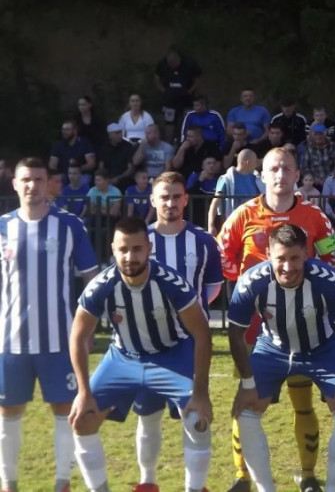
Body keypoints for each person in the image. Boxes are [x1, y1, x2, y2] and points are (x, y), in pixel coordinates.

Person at [216, 147, 335, 492]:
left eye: (286, 168)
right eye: (273, 168)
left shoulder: (315, 216)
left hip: (302, 328)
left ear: (297, 174)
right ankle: (243, 477)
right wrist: (247, 285)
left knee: (303, 403)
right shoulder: (242, 215)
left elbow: (332, 257)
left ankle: (308, 474)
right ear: (262, 175)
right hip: (254, 331)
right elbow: (222, 257)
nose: (280, 174)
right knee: (247, 401)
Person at [69, 217, 213, 492]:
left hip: (172, 354)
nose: (130, 256)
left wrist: (201, 392)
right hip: (124, 357)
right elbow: (77, 336)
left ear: (149, 248)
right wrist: (83, 392)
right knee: (82, 420)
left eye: (137, 249)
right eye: (123, 249)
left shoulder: (171, 283)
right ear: (113, 249)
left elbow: (202, 333)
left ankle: (195, 488)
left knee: (198, 420)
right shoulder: (101, 285)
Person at [226, 224, 335, 492]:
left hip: (322, 349)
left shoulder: (329, 280)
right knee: (246, 411)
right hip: (272, 349)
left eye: (295, 258)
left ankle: (333, 488)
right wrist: (247, 384)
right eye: (281, 259)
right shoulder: (252, 281)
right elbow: (235, 334)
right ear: (268, 255)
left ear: (306, 254)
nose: (287, 267)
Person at [0, 158, 98, 492]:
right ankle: (8, 484)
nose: (32, 185)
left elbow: (91, 279)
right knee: (8, 411)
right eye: (25, 179)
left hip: (60, 340)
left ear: (48, 184)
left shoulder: (69, 225)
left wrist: (88, 330)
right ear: (15, 184)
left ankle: (62, 483)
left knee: (65, 410)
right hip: (10, 341)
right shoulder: (3, 227)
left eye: (38, 179)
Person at [126, 173, 223, 490]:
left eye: (176, 196)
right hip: (148, 344)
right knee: (148, 417)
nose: (170, 202)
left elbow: (212, 288)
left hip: (190, 346)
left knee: (195, 418)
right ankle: (147, 482)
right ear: (153, 200)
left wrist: (188, 317)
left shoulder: (204, 241)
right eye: (164, 197)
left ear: (185, 199)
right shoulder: (139, 241)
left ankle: (195, 486)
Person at [208, 148, 264, 236]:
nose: (256, 165)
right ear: (247, 162)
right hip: (233, 224)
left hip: (254, 225)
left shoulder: (257, 180)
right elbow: (215, 202)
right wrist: (211, 225)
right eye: (254, 162)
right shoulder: (226, 179)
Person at [154, 47, 202, 143]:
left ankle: (187, 141)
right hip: (170, 99)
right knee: (169, 122)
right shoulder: (162, 63)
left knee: (188, 120)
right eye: (170, 65)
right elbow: (156, 77)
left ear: (178, 60)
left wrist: (190, 91)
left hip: (187, 98)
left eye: (174, 65)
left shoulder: (190, 63)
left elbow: (198, 79)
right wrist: (163, 90)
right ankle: (169, 143)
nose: (172, 67)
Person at [297, 124, 335, 188]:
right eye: (316, 134)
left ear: (325, 134)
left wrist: (329, 179)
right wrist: (315, 179)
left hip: (334, 181)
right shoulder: (307, 148)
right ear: (312, 135)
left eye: (321, 134)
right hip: (313, 184)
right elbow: (304, 167)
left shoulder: (334, 147)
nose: (318, 136)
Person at [100, 123, 136, 191]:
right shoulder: (104, 148)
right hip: (108, 180)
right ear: (110, 135)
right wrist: (107, 179)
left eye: (120, 132)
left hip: (124, 180)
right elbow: (101, 167)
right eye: (117, 133)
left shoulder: (128, 146)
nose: (120, 135)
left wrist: (118, 178)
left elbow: (131, 169)